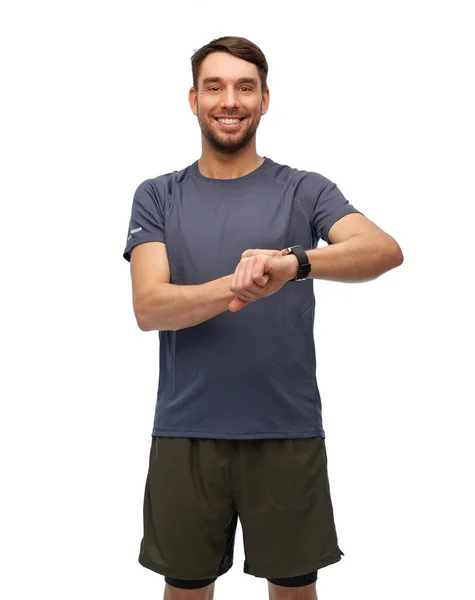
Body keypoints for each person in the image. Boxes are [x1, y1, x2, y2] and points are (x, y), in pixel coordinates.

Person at [123, 36, 403, 600]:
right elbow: (149, 307)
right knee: (185, 591)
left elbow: (382, 250)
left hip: (286, 430)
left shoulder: (304, 190)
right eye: (215, 86)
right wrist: (241, 282)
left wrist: (295, 262)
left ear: (265, 99)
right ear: (193, 99)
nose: (230, 100)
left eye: (245, 87)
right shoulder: (157, 196)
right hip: (186, 433)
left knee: (295, 591)